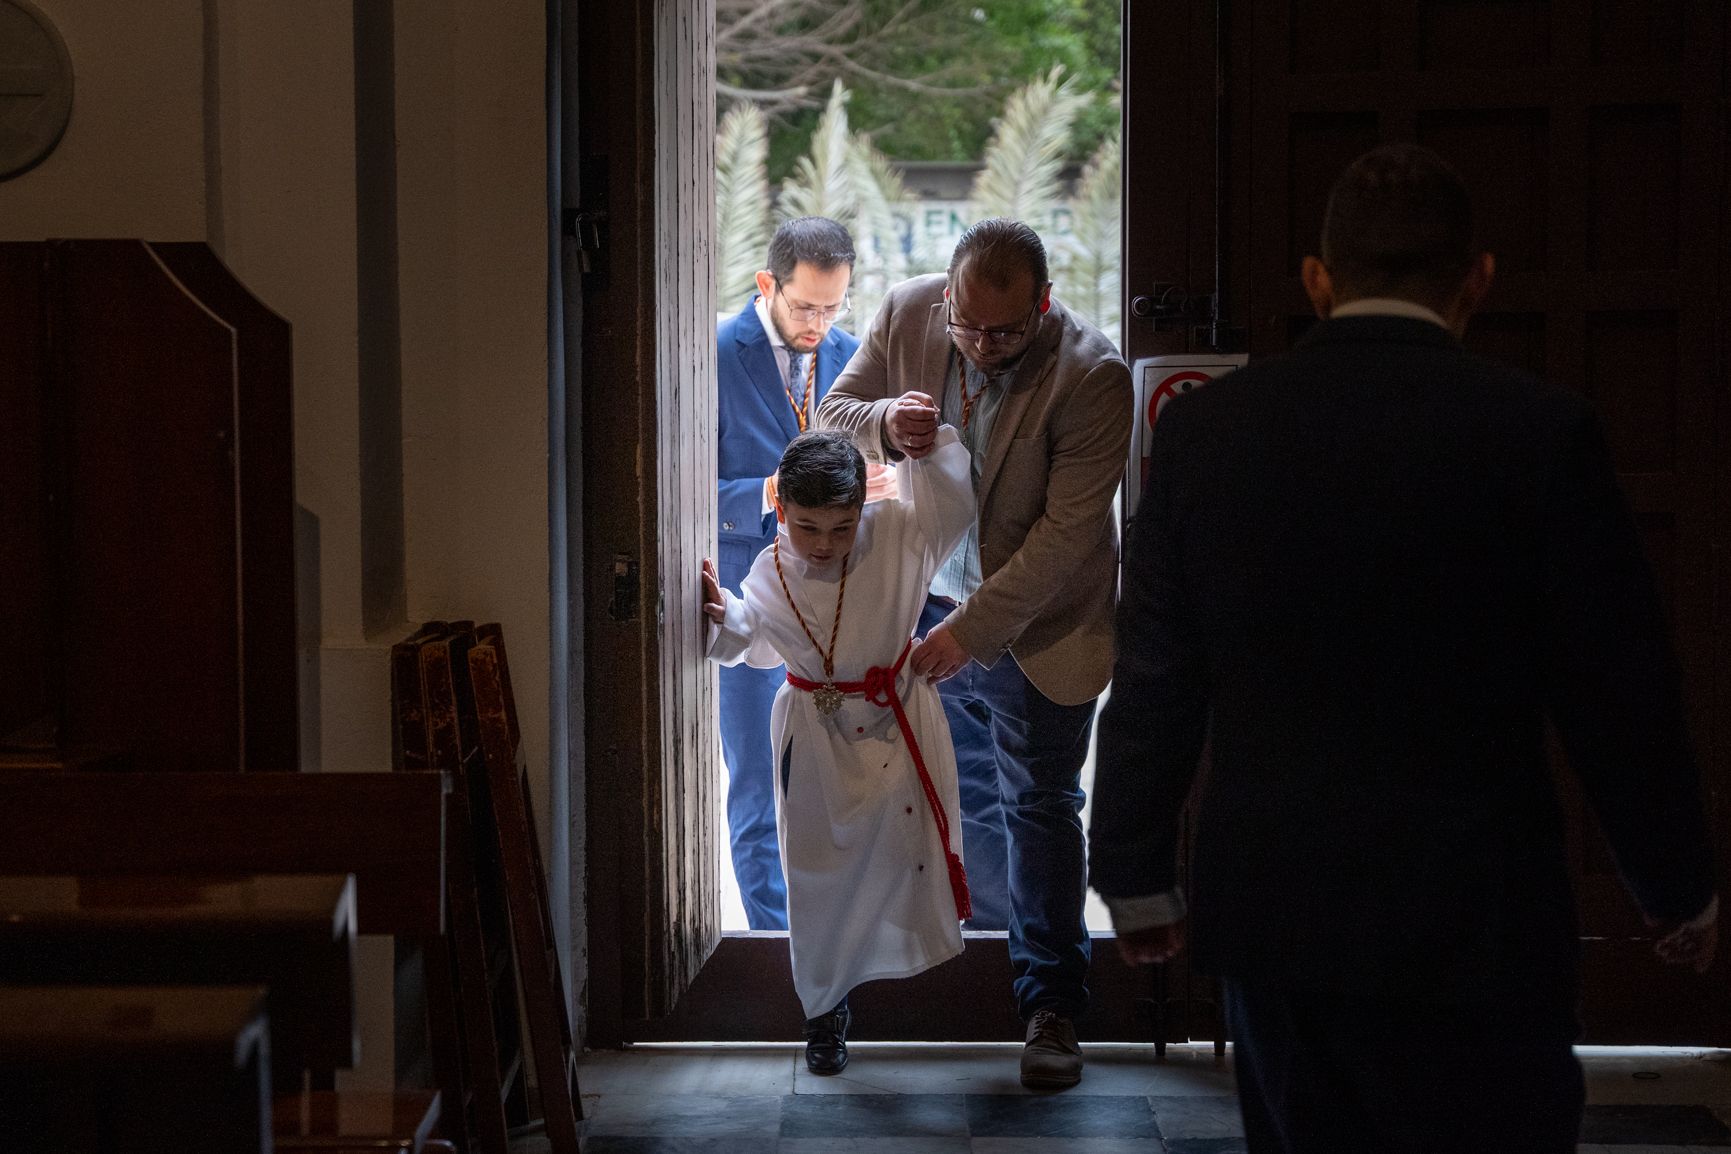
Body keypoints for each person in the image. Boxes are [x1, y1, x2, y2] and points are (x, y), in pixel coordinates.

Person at [1088, 142, 1719, 1152]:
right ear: (1478, 278)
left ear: (1318, 280)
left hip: (1280, 900)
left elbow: (1157, 672)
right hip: (1480, 909)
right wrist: (1674, 879)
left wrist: (1136, 872)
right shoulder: (1542, 433)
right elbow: (1618, 687)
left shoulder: (1211, 437)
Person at [818, 218, 1132, 1089]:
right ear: (947, 296)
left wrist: (972, 632)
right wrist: (886, 420)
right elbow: (833, 416)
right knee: (907, 798)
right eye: (966, 324)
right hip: (920, 607)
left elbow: (1067, 538)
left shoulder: (1091, 374)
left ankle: (1051, 1009)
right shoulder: (909, 311)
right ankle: (897, 991)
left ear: (1042, 303)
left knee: (1038, 809)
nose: (980, 345)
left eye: (1002, 331)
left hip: (1040, 630)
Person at [702, 426, 976, 1076]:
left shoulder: (899, 536)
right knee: (815, 873)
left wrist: (913, 430)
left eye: (839, 527)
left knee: (897, 857)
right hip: (815, 735)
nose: (823, 545)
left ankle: (916, 989)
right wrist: (725, 616)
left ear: (863, 511)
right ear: (782, 512)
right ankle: (823, 1012)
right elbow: (760, 638)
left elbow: (949, 497)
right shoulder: (770, 566)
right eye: (806, 528)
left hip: (893, 719)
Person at [716, 216, 887, 929]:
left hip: (841, 597)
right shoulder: (715, 352)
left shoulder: (852, 356)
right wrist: (764, 493)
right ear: (767, 284)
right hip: (750, 591)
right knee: (758, 778)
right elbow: (675, 488)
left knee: (840, 779)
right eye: (805, 306)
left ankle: (839, 935)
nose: (821, 323)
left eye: (834, 305)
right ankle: (771, 940)